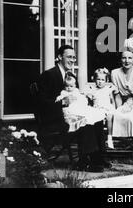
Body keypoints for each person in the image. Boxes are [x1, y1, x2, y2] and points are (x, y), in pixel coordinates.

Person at [36, 44, 110, 172]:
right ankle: (85, 160)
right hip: (54, 118)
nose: (72, 60)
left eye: (74, 58)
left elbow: (76, 95)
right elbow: (41, 103)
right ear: (59, 57)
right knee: (86, 121)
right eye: (69, 57)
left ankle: (97, 157)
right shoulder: (49, 75)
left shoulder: (70, 76)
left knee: (95, 118)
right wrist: (63, 102)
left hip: (71, 113)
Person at [83, 68, 118, 149]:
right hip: (97, 109)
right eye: (98, 79)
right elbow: (89, 102)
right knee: (95, 118)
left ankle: (109, 138)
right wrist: (90, 97)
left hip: (107, 108)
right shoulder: (92, 90)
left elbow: (112, 101)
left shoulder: (108, 89)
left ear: (106, 80)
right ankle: (96, 140)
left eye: (102, 80)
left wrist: (114, 109)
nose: (100, 81)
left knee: (109, 116)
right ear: (95, 79)